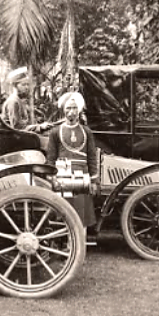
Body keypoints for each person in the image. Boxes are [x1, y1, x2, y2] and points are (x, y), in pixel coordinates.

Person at [46, 92, 99, 228]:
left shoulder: (86, 131)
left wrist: (93, 181)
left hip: (82, 177)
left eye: (74, 108)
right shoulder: (55, 132)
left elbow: (92, 157)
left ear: (79, 110)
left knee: (82, 216)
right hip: (63, 177)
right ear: (64, 110)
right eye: (68, 108)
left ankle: (82, 244)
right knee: (64, 214)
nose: (71, 112)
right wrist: (51, 178)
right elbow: (51, 158)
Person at [0, 67, 51, 133]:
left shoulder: (20, 100)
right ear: (15, 86)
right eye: (23, 85)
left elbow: (25, 121)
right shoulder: (13, 102)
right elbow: (17, 127)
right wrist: (40, 127)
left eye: (27, 84)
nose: (26, 87)